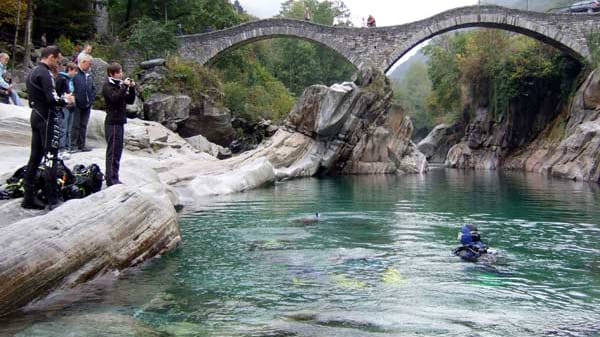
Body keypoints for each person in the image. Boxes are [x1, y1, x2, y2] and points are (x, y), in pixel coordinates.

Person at [23, 45, 74, 210]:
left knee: (35, 157)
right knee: (51, 156)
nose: (58, 66)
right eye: (57, 62)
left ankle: (28, 197)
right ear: (51, 57)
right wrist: (66, 100)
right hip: (47, 118)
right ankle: (53, 199)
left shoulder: (32, 72)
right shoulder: (45, 74)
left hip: (36, 115)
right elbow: (52, 99)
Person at [102, 62, 135, 186]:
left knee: (118, 151)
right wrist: (124, 87)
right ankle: (110, 179)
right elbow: (115, 99)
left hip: (120, 122)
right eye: (118, 72)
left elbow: (130, 100)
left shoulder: (120, 85)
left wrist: (131, 88)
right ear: (111, 74)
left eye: (121, 72)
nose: (121, 75)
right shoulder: (107, 86)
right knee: (112, 151)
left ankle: (115, 176)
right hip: (112, 123)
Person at [71, 53, 96, 152]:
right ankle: (73, 145)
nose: (90, 66)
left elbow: (93, 88)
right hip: (77, 104)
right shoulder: (75, 73)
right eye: (89, 64)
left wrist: (91, 99)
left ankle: (82, 144)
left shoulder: (89, 75)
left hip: (87, 104)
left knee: (83, 125)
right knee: (75, 125)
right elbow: (70, 87)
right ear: (83, 62)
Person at [56, 62, 77, 151]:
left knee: (69, 128)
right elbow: (58, 92)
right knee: (63, 128)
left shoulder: (71, 81)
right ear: (69, 69)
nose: (76, 73)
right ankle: (62, 147)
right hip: (64, 106)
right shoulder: (61, 78)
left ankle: (68, 146)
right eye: (74, 71)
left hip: (71, 106)